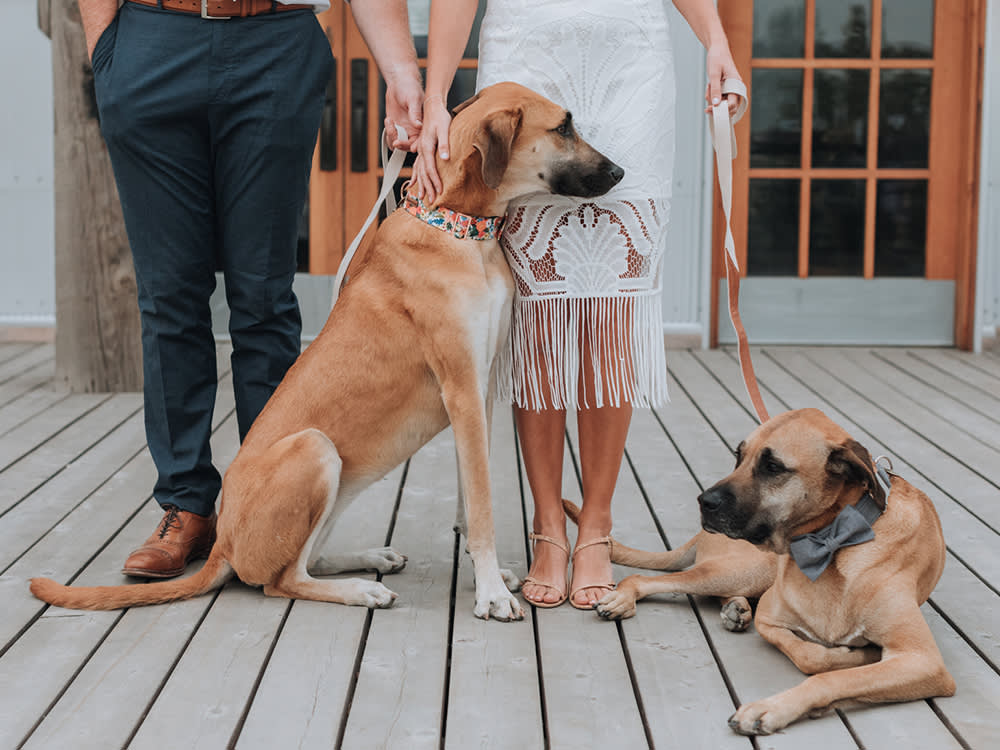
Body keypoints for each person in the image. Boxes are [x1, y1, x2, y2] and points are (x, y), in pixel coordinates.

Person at [76, 0, 424, 578]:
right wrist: (106, 53)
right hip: (150, 39)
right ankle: (185, 505)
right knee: (169, 296)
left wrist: (401, 73)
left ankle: (266, 507)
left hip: (275, 41)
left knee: (263, 297)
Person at [415, 0, 743, 608]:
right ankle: (547, 526)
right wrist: (436, 96)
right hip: (526, 60)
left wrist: (717, 46)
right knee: (539, 312)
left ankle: (596, 526)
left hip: (632, 68)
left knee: (612, 311)